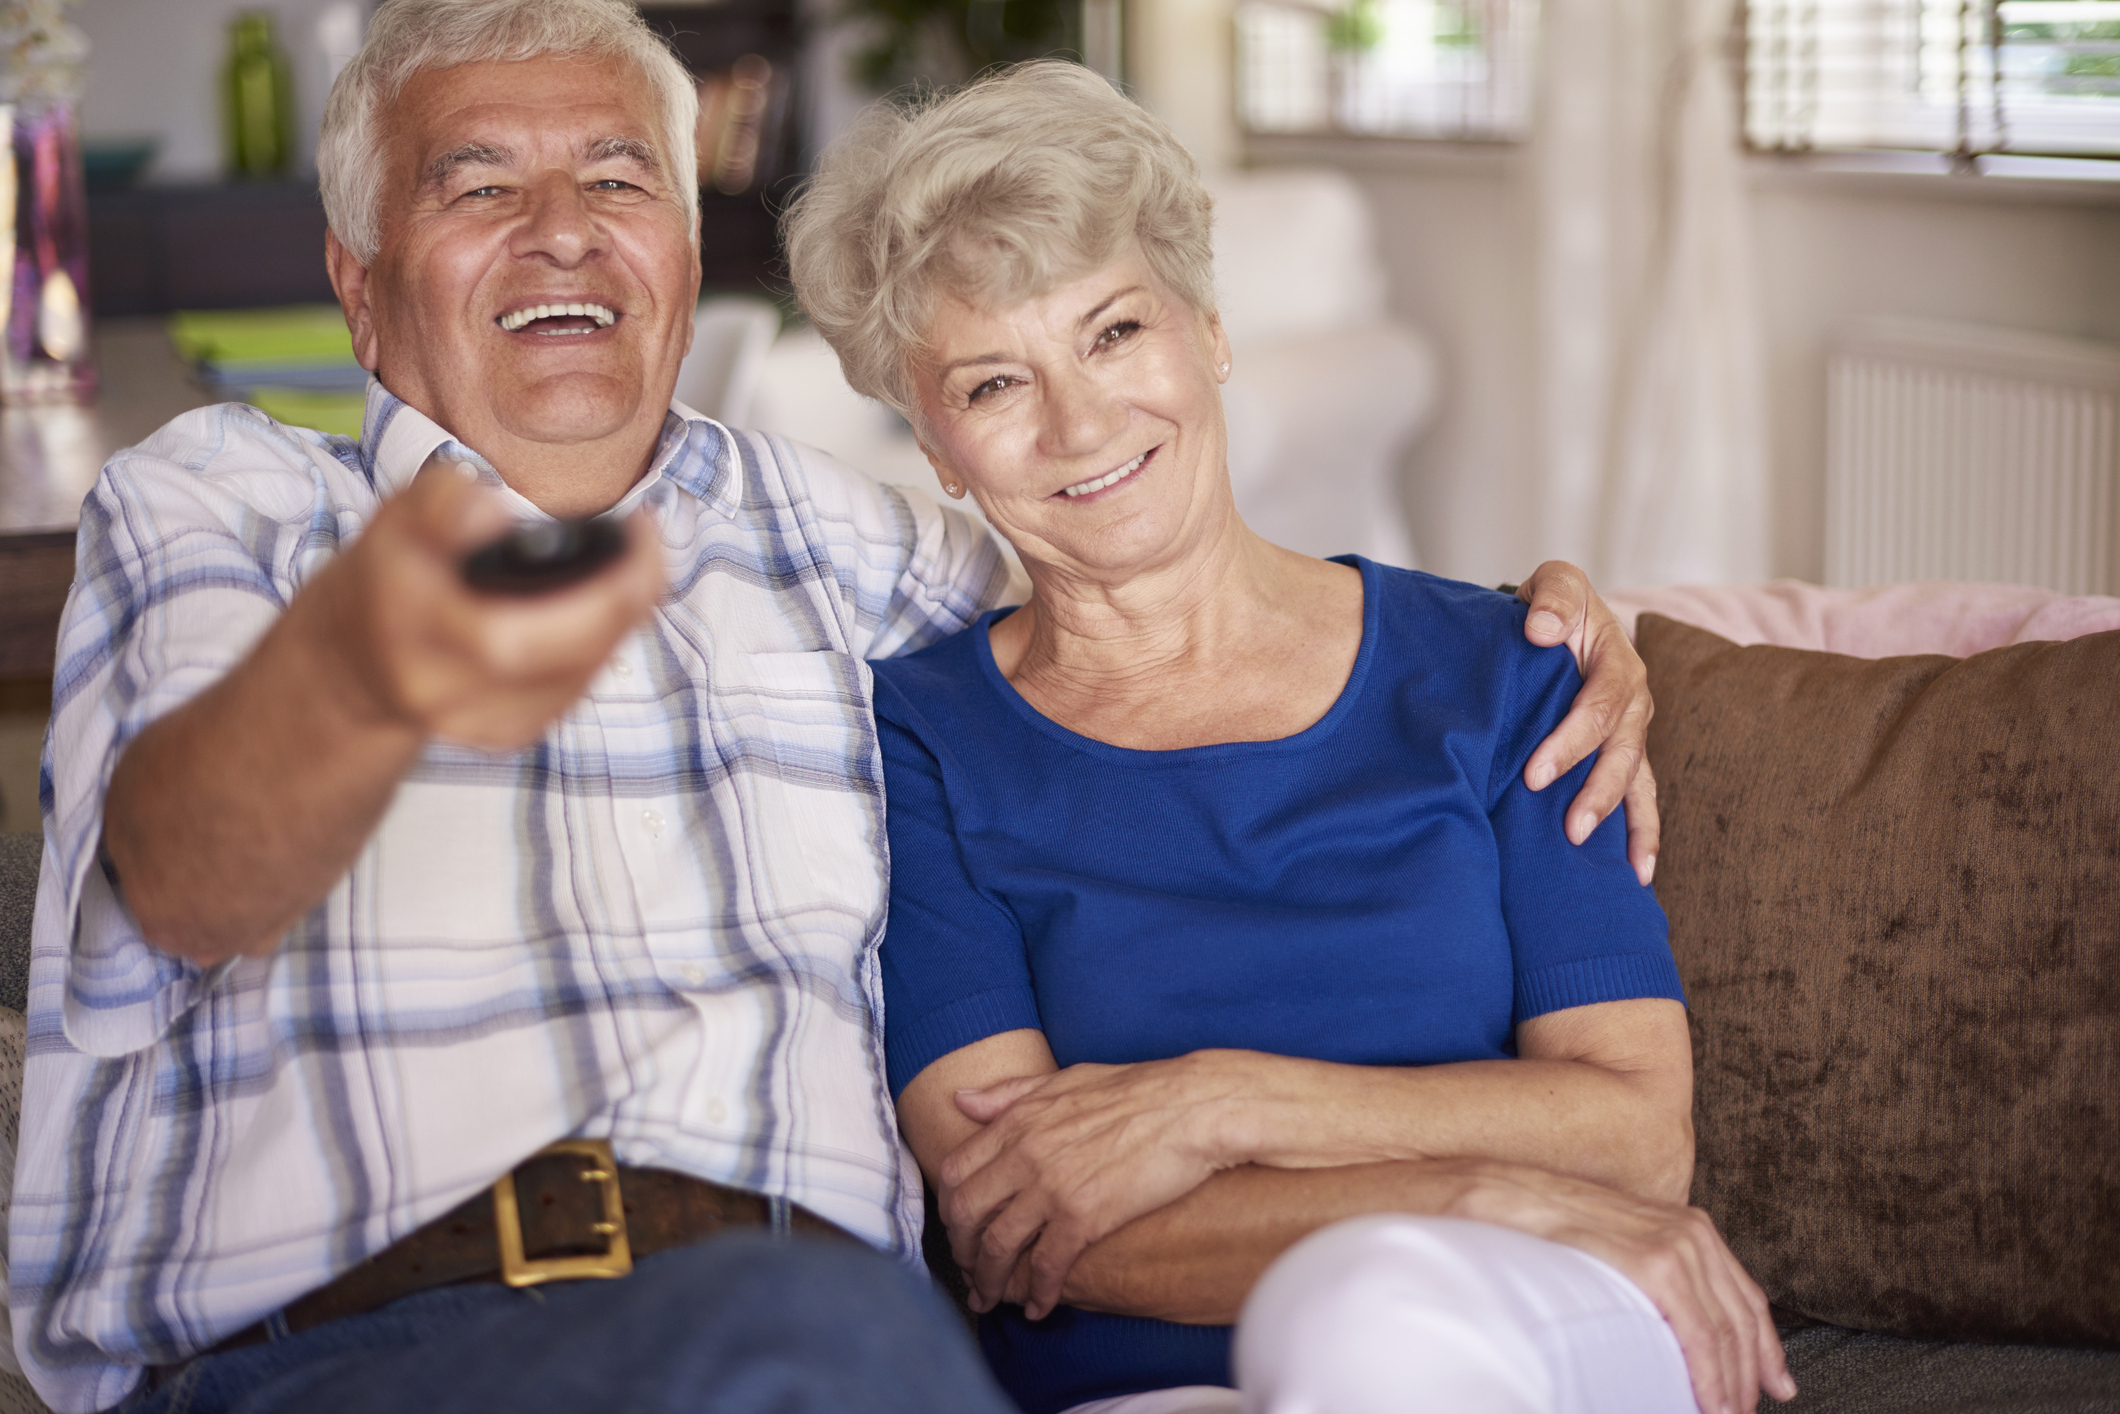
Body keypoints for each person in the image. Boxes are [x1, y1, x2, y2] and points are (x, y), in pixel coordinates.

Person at [13, 7, 1651, 1413]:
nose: (563, 227)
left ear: (680, 243)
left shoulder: (846, 542)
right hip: (354, 1346)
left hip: (802, 1335)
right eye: (480, 185)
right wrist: (373, 670)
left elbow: (1146, 585)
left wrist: (1563, 625)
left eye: (617, 177)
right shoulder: (227, 503)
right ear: (359, 289)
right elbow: (183, 870)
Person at [782, 61, 1798, 1414]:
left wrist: (1219, 1104)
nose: (1081, 423)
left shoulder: (1504, 669)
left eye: (1112, 331)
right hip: (1144, 1385)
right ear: (936, 446)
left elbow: (1631, 1133)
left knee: (1367, 1319)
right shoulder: (918, 741)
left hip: (1527, 1327)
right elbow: (1026, 1220)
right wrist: (1481, 1182)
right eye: (991, 384)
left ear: (1206, 330)